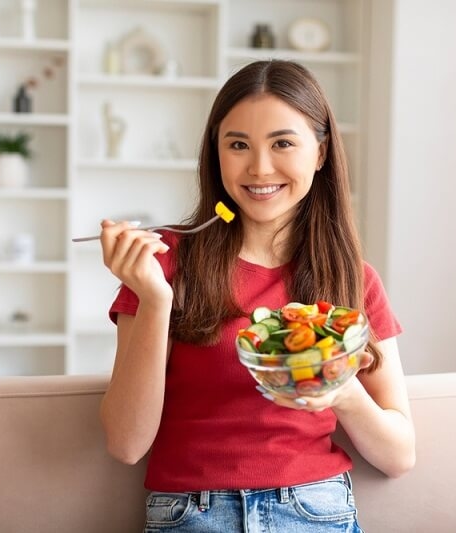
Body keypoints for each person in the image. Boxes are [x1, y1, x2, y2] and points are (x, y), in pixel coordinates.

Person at [98, 60, 416, 532]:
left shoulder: (355, 280)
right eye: (238, 145)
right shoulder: (163, 266)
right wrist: (156, 301)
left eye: (283, 143)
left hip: (316, 510)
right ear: (216, 154)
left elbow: (399, 455)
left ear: (321, 152)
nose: (259, 167)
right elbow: (126, 443)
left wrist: (342, 393)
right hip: (191, 514)